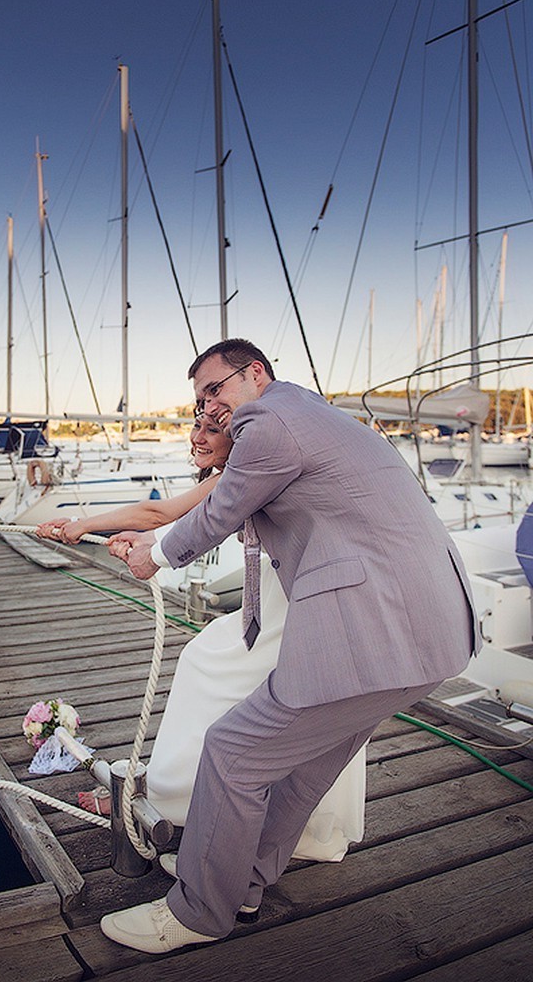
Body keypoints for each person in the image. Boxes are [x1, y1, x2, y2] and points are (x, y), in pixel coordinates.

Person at [99, 338, 477, 955]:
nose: (210, 406)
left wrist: (154, 555)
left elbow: (225, 505)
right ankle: (242, 882)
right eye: (199, 399)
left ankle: (198, 910)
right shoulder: (316, 418)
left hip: (375, 636)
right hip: (425, 636)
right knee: (303, 769)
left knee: (234, 750)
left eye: (215, 389)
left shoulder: (270, 419)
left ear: (256, 374)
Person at [36, 415, 364, 862]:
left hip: (295, 602)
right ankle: (212, 797)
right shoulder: (244, 476)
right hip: (282, 596)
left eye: (211, 429)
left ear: (239, 439)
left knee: (206, 666)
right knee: (222, 670)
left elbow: (161, 513)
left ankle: (170, 798)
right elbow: (173, 520)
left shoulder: (251, 471)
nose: (196, 437)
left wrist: (80, 523)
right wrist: (139, 537)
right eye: (197, 426)